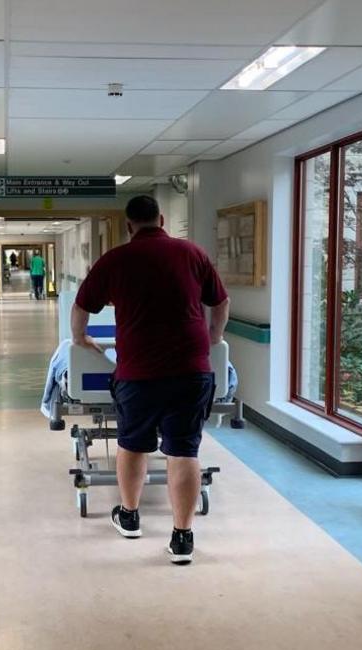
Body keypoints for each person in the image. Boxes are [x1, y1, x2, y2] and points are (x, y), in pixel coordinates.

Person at [72, 195, 230, 565]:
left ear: (129, 226)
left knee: (132, 444)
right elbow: (220, 302)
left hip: (139, 373)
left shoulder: (115, 259)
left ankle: (129, 517)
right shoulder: (193, 254)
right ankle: (182, 538)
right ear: (161, 219)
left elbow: (81, 307)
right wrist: (214, 338)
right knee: (184, 450)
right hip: (191, 371)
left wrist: (80, 340)